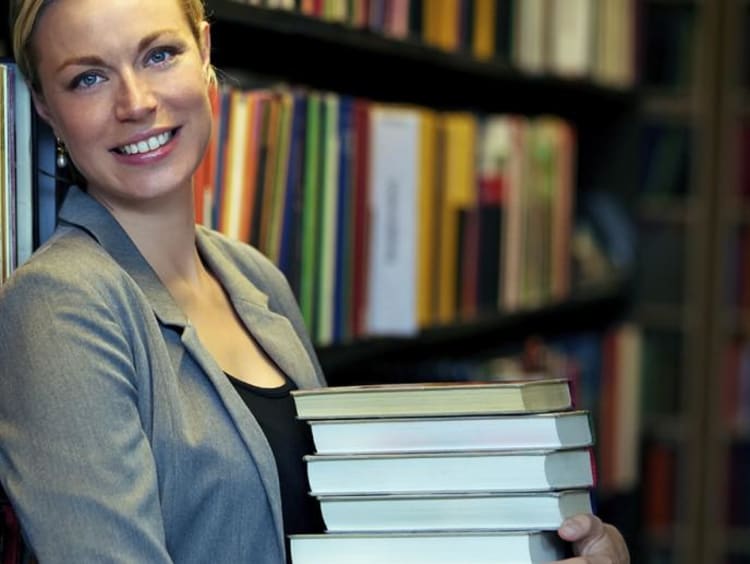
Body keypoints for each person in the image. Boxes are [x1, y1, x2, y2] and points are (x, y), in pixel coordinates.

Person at [0, 0, 630, 562]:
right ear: (46, 108)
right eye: (88, 77)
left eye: (160, 54)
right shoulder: (59, 306)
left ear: (206, 54)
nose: (135, 101)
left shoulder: (254, 278)